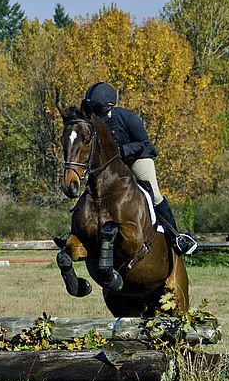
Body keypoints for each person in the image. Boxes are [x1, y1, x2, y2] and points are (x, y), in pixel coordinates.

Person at [83, 81, 198, 256]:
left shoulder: (127, 118)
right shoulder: (93, 122)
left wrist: (122, 151)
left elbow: (144, 143)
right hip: (114, 164)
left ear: (106, 106)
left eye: (96, 110)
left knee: (155, 194)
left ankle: (176, 238)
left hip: (137, 158)